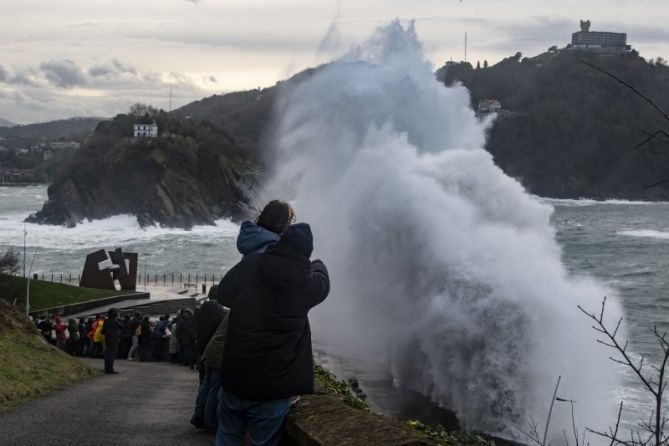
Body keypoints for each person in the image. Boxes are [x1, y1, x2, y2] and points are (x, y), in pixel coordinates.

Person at [216, 223, 330, 446]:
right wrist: (318, 263)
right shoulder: (307, 283)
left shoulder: (251, 263)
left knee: (227, 439)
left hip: (235, 376)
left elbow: (223, 295)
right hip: (272, 388)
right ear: (306, 252)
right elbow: (324, 282)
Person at [192, 306, 230, 431]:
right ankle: (211, 422)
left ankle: (198, 416)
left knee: (205, 386)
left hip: (210, 350)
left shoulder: (231, 311)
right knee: (215, 389)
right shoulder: (239, 312)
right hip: (219, 354)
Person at [101, 308, 124, 374]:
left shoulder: (106, 321)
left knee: (107, 354)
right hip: (114, 339)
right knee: (112, 355)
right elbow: (122, 326)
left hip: (107, 339)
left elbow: (103, 331)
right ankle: (110, 369)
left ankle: (107, 369)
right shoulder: (115, 321)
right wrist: (119, 318)